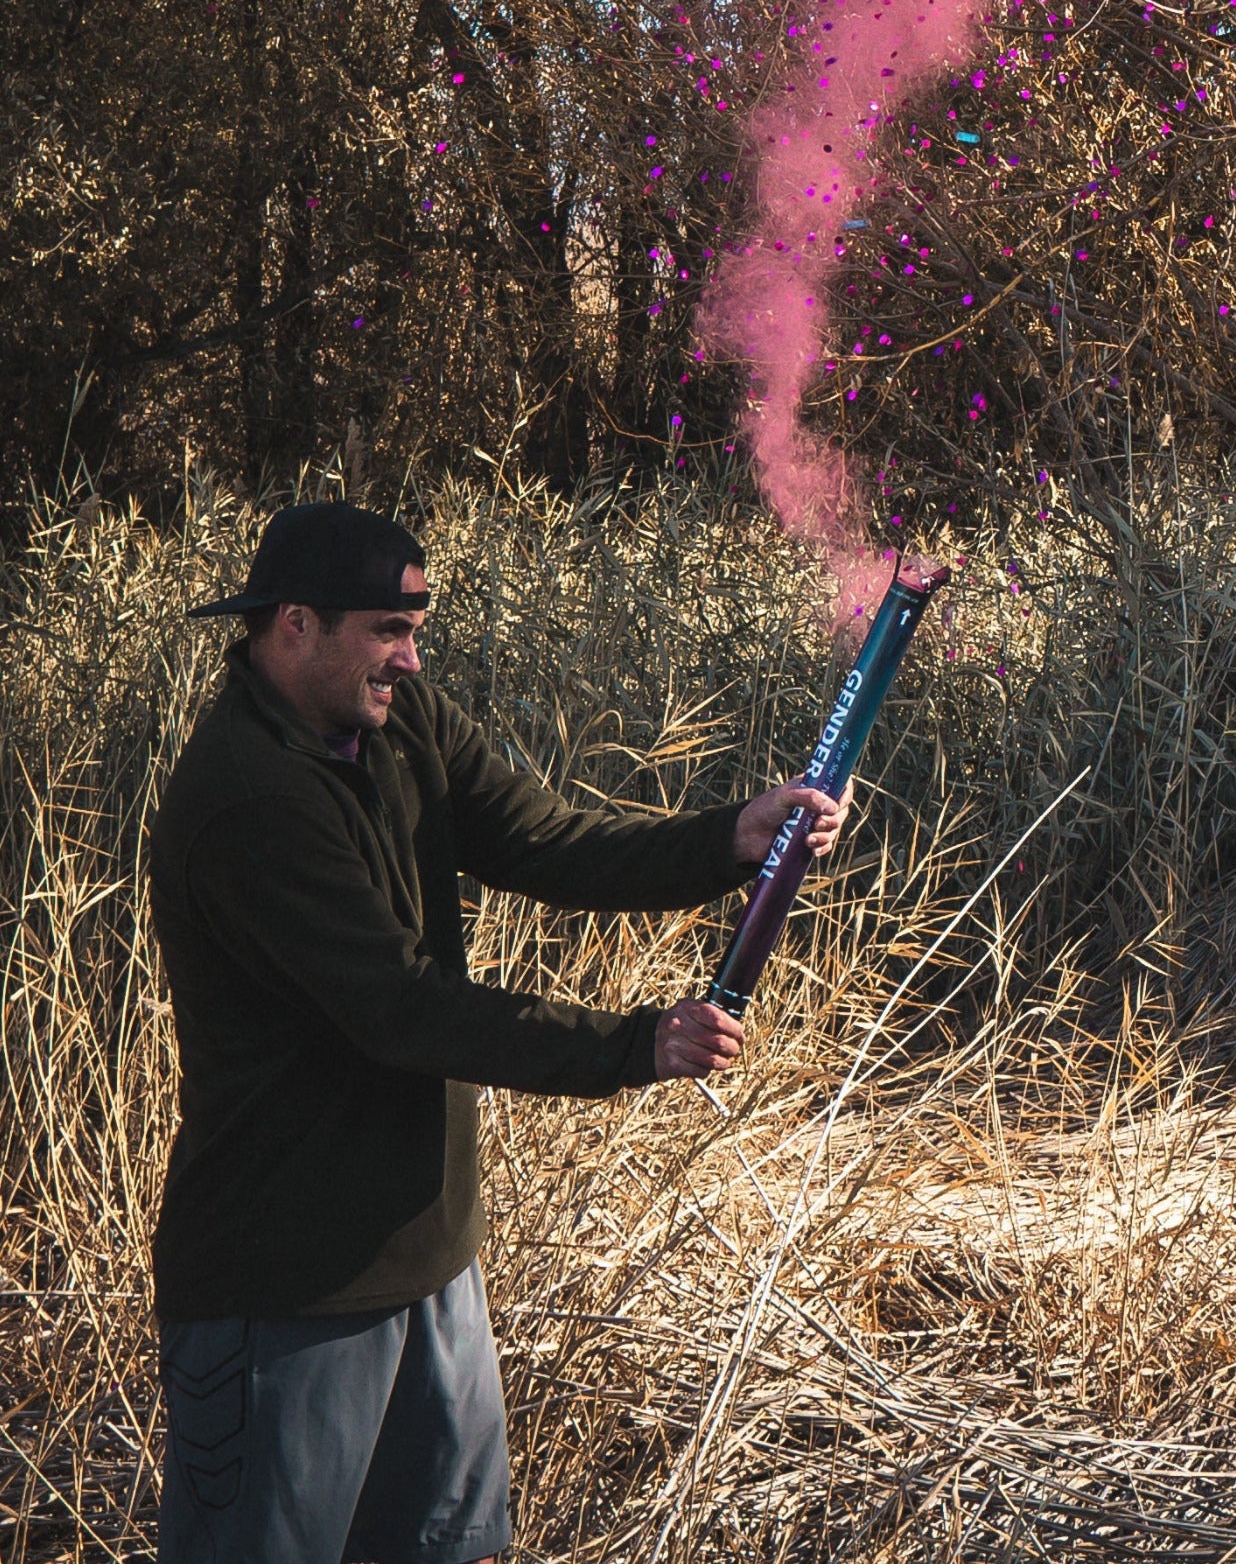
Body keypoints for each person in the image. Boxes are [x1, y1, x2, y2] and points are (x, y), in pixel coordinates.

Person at [149, 500, 848, 1564]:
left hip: (430, 1260)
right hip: (283, 1294)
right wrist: (631, 1045)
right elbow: (402, 1008)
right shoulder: (245, 801)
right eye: (388, 630)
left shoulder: (400, 725)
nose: (411, 659)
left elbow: (547, 843)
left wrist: (729, 840)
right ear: (295, 623)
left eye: (416, 629)